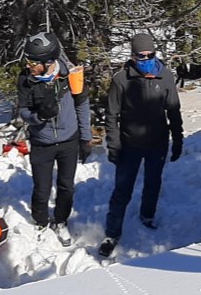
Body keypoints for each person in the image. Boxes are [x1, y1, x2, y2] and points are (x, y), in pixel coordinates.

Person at [99, 33, 183, 257]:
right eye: (141, 55)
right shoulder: (121, 80)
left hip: (157, 142)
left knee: (153, 182)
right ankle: (112, 232)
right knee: (122, 190)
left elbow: (173, 109)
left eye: (150, 54)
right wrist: (114, 144)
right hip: (130, 145)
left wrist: (178, 139)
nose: (146, 59)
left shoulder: (165, 76)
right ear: (133, 56)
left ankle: (148, 215)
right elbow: (112, 115)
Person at [17, 32, 93, 247]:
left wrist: (85, 138)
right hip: (42, 142)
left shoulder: (70, 75)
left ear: (48, 61)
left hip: (69, 139)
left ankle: (61, 220)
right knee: (41, 187)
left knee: (66, 186)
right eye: (27, 59)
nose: (28, 64)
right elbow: (23, 110)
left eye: (32, 61)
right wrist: (38, 116)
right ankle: (41, 222)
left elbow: (82, 104)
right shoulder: (26, 80)